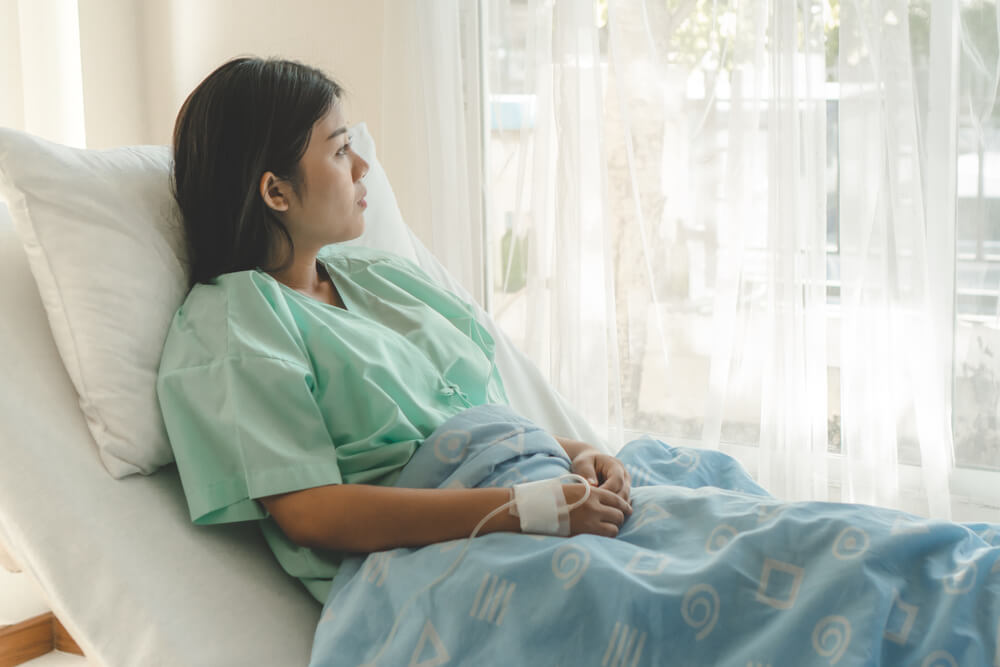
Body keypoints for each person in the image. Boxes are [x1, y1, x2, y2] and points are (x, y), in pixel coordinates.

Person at [157, 56, 632, 604]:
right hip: (452, 561)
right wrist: (530, 510)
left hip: (546, 496)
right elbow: (313, 512)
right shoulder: (234, 323)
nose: (362, 167)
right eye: (339, 150)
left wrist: (580, 453)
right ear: (276, 193)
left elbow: (472, 421)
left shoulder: (384, 278)